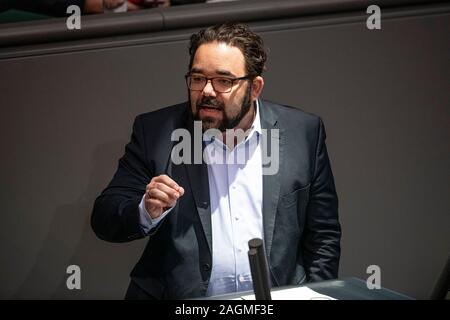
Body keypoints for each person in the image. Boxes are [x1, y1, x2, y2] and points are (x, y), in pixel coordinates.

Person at [91, 22, 341, 299]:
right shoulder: (156, 132)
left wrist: (319, 294)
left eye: (224, 81)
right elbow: (105, 217)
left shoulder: (302, 132)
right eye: (198, 79)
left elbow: (323, 234)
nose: (207, 91)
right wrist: (145, 211)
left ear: (255, 88)